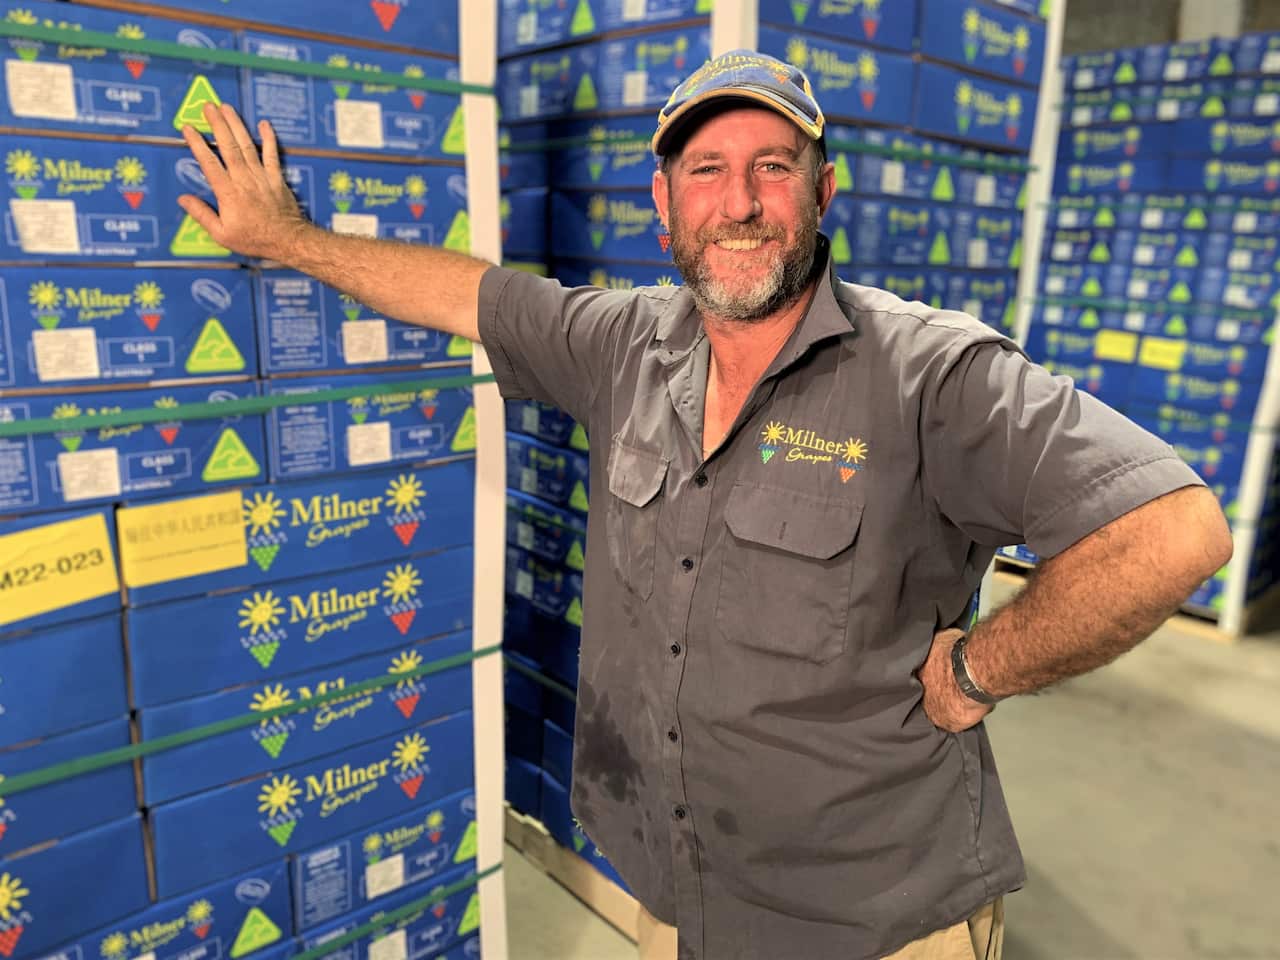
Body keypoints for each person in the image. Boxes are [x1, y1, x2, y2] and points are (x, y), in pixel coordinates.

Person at [179, 50, 1232, 960]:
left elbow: (1174, 531)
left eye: (773, 168)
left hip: (868, 919)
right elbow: (471, 293)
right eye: (707, 171)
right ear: (663, 202)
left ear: (822, 195)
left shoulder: (928, 374)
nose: (738, 203)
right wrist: (286, 242)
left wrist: (976, 667)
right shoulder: (623, 345)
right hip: (678, 890)